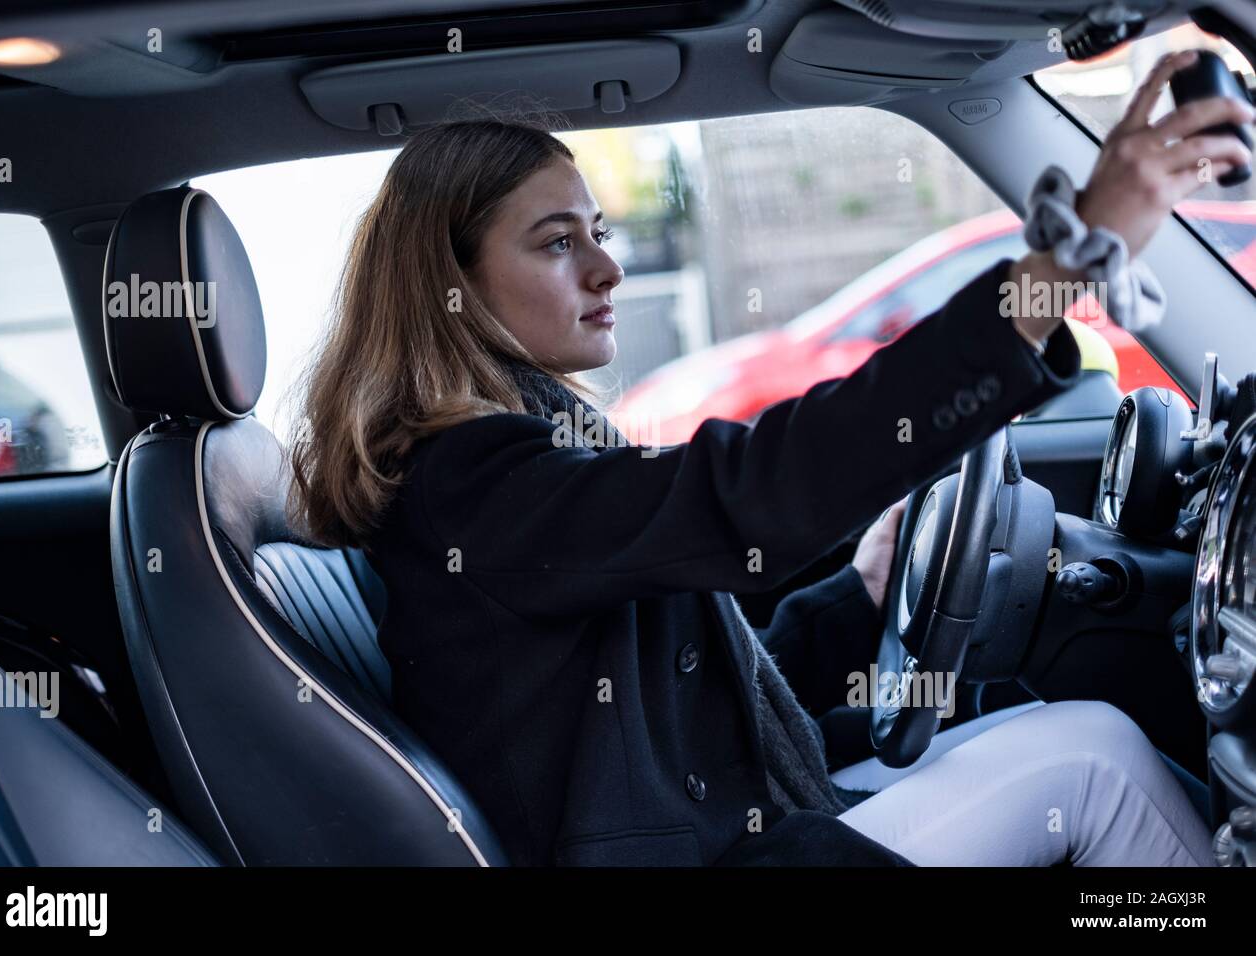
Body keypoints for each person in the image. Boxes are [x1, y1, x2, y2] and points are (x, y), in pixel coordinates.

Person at [286, 51, 1251, 866]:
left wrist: (856, 595)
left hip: (735, 828)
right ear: (446, 284)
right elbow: (747, 492)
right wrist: (1057, 272)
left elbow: (688, 706)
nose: (607, 267)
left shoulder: (507, 462)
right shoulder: (476, 483)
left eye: (600, 231)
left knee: (1051, 727)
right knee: (1092, 757)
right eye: (555, 241)